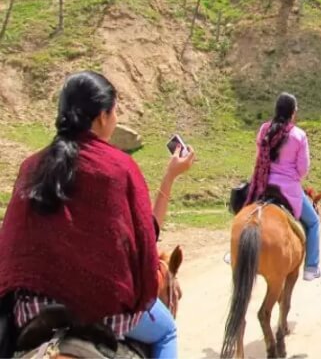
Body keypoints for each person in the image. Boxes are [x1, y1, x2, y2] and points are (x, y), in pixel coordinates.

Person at [0, 71, 195, 359]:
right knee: (167, 332)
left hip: (33, 310)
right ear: (102, 117)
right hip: (101, 310)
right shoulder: (119, 168)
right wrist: (170, 176)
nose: (116, 119)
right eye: (115, 111)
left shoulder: (31, 166)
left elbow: (12, 248)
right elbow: (145, 239)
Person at [245, 93, 321, 281]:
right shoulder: (298, 135)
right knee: (313, 223)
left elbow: (259, 157)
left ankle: (234, 253)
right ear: (293, 113)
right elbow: (303, 169)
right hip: (288, 190)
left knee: (245, 213)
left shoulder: (264, 129)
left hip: (262, 184)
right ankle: (311, 267)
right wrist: (292, 176)